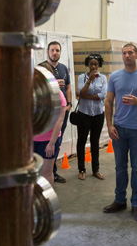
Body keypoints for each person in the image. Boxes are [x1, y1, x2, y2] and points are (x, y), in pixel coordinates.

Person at [102, 43, 137, 222]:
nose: (127, 55)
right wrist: (109, 126)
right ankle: (120, 200)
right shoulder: (115, 76)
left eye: (130, 53)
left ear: (136, 55)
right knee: (120, 168)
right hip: (118, 128)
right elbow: (109, 101)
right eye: (124, 53)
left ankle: (136, 203)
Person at [43, 41, 72, 183]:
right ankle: (44, 172)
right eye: (53, 50)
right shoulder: (42, 68)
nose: (55, 53)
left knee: (56, 142)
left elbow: (68, 87)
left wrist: (69, 104)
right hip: (46, 114)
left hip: (62, 111)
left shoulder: (64, 68)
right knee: (45, 143)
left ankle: (52, 171)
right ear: (48, 52)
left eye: (58, 50)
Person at [34, 62, 67, 185]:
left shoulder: (58, 95)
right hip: (34, 139)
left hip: (48, 140)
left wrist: (52, 143)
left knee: (46, 172)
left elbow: (59, 120)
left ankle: (46, 200)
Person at [76, 54, 107, 181]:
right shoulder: (82, 77)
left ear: (99, 65)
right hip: (84, 113)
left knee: (95, 142)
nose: (93, 66)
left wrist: (86, 96)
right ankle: (81, 169)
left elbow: (103, 95)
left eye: (96, 64)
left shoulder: (103, 78)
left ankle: (96, 170)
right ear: (87, 65)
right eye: (91, 64)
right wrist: (89, 80)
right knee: (81, 141)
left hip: (98, 114)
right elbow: (80, 92)